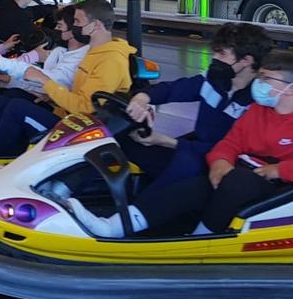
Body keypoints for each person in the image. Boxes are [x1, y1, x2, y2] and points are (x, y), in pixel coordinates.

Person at [68, 50, 293, 238]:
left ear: (290, 88)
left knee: (232, 178)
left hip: (276, 185)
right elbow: (231, 142)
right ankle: (113, 227)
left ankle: (202, 238)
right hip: (241, 173)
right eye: (260, 77)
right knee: (189, 189)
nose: (259, 85)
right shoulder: (258, 111)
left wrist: (278, 170)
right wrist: (220, 162)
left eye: (266, 79)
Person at [0, 0, 134, 157]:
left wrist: (45, 83)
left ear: (96, 25)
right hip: (67, 116)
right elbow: (76, 91)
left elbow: (86, 107)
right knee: (7, 98)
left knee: (17, 108)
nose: (74, 25)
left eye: (77, 21)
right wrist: (51, 95)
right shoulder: (94, 53)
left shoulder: (110, 60)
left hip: (80, 132)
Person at [122, 23, 273, 191]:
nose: (214, 58)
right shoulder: (215, 79)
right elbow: (175, 89)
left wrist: (167, 141)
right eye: (215, 52)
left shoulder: (260, 101)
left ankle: (140, 212)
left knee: (187, 162)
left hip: (224, 164)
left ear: (246, 60)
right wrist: (143, 96)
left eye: (221, 53)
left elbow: (232, 149)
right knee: (128, 141)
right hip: (194, 149)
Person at [0, 5, 89, 122]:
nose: (56, 29)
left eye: (60, 26)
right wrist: (9, 81)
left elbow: (50, 80)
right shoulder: (60, 52)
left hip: (60, 110)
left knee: (9, 101)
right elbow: (42, 83)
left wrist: (5, 65)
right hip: (47, 97)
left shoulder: (80, 57)